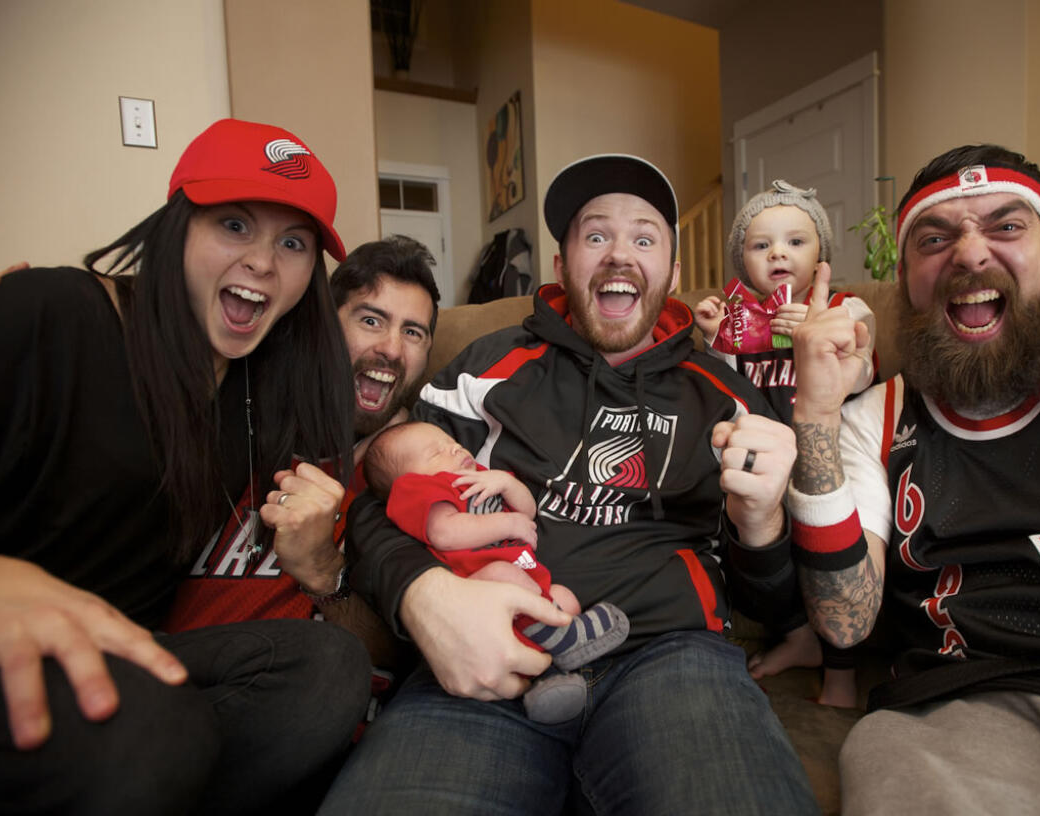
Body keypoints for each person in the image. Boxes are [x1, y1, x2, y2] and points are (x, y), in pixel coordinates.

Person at [319, 153, 820, 815]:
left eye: (644, 238)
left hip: (670, 658)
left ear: (671, 271)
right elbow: (381, 502)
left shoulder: (728, 398)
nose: (619, 255)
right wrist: (421, 593)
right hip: (493, 652)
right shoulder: (485, 367)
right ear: (563, 267)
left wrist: (762, 525)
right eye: (595, 236)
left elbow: (779, 606)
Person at [0, 118, 373, 815]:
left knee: (328, 672)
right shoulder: (54, 312)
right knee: (158, 732)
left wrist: (326, 559)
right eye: (234, 225)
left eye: (292, 243)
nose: (263, 264)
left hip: (126, 657)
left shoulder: (257, 396)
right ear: (177, 226)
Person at [789, 144, 1040, 814]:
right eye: (935, 237)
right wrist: (816, 413)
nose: (971, 254)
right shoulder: (876, 416)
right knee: (888, 750)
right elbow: (845, 622)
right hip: (973, 725)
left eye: (1006, 227)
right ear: (907, 280)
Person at [162, 236, 440, 679]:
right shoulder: (239, 406)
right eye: (371, 320)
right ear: (325, 327)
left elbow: (408, 653)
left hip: (312, 703)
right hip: (168, 676)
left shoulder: (422, 469)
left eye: (412, 332)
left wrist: (322, 569)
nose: (391, 348)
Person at [694, 180, 875, 708]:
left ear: (821, 252)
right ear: (741, 263)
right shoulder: (738, 317)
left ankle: (841, 669)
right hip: (768, 464)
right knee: (765, 547)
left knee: (833, 559)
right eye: (760, 245)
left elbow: (863, 368)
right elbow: (725, 393)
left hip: (829, 463)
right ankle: (798, 637)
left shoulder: (845, 305)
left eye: (796, 241)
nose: (778, 253)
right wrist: (713, 341)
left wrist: (829, 333)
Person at [364, 420, 631, 722]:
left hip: (529, 580)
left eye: (449, 440)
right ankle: (565, 643)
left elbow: (528, 512)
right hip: (480, 589)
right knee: (505, 576)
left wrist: (507, 484)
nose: (453, 447)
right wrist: (506, 524)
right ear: (406, 478)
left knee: (564, 598)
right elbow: (444, 533)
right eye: (435, 452)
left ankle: (548, 679)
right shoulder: (418, 489)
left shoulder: (481, 477)